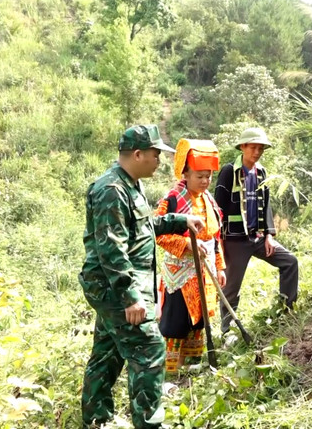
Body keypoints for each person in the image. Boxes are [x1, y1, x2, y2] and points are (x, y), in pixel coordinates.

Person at [79, 124, 205, 429]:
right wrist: (130, 297)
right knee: (149, 349)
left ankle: (96, 419)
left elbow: (142, 228)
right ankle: (149, 423)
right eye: (155, 154)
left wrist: (179, 220)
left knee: (107, 353)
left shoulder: (130, 183)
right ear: (138, 154)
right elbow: (112, 248)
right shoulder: (111, 190)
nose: (159, 160)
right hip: (116, 288)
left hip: (115, 287)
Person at [214, 127, 299, 334]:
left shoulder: (261, 172)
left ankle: (286, 311)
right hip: (234, 240)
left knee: (290, 262)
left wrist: (269, 235)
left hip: (258, 237)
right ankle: (228, 330)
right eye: (253, 147)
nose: (257, 152)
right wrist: (218, 244)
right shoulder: (229, 171)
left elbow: (266, 205)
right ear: (243, 147)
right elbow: (218, 208)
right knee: (231, 287)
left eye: (260, 148)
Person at [155, 138, 226, 374]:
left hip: (203, 271)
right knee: (175, 322)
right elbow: (158, 233)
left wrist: (220, 266)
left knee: (199, 320)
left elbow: (215, 238)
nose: (205, 181)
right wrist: (186, 243)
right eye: (199, 176)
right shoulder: (173, 199)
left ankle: (192, 368)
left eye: (208, 176)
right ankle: (170, 371)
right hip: (179, 272)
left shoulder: (209, 200)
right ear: (185, 173)